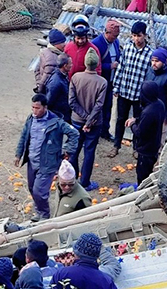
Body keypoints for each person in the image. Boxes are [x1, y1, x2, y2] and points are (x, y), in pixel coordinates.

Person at [14, 93, 80, 220]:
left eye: (37, 108)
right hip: (32, 162)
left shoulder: (56, 123)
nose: (34, 111)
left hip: (48, 163)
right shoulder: (30, 119)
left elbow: (74, 134)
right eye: (32, 107)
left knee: (40, 192)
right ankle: (39, 212)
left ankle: (44, 215)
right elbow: (24, 136)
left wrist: (67, 150)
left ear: (45, 107)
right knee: (32, 189)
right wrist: (19, 154)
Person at [109, 21, 153, 158]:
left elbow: (149, 76)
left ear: (145, 36)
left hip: (138, 95)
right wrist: (116, 86)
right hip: (124, 91)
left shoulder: (149, 54)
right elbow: (120, 68)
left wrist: (146, 95)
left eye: (139, 36)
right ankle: (116, 145)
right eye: (134, 35)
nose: (136, 39)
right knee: (120, 119)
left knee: (138, 121)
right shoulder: (127, 48)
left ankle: (136, 148)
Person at [69, 49, 108, 191]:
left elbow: (72, 102)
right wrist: (89, 121)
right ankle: (85, 182)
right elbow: (99, 106)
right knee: (89, 151)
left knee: (74, 150)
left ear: (85, 63)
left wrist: (84, 119)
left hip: (76, 120)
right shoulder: (102, 82)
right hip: (95, 123)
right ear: (97, 64)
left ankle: (72, 178)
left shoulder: (75, 77)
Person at [91, 20, 122, 144]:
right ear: (107, 33)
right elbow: (93, 65)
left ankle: (105, 131)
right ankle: (94, 130)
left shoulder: (116, 43)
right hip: (99, 81)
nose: (116, 38)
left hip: (111, 81)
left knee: (108, 106)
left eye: (117, 36)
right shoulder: (96, 44)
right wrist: (109, 66)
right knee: (97, 106)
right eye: (114, 36)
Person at [129, 81, 165, 184]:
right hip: (154, 145)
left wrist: (132, 124)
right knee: (148, 173)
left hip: (145, 149)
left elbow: (140, 132)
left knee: (143, 177)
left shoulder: (148, 112)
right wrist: (136, 120)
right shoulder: (160, 104)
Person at [46, 54, 73, 123]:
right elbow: (49, 101)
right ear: (65, 66)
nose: (72, 65)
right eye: (70, 63)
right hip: (58, 117)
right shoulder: (56, 82)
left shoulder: (62, 76)